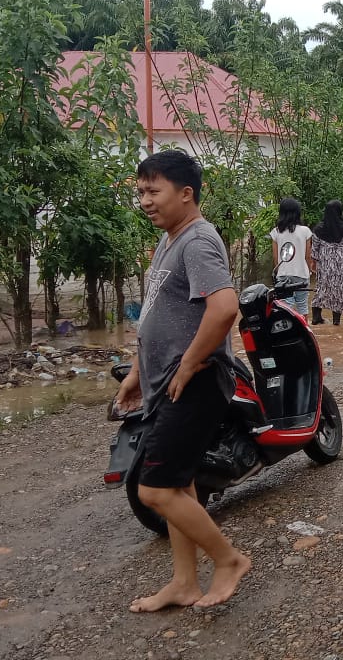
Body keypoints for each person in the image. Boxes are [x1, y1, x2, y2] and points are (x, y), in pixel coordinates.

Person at [114, 149, 249, 612]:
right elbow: (159, 314)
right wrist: (137, 372)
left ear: (186, 194)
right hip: (166, 383)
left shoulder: (198, 240)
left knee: (155, 490)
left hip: (195, 382)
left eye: (154, 191)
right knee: (181, 485)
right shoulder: (169, 240)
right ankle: (184, 582)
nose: (145, 201)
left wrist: (190, 364)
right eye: (141, 192)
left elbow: (224, 307)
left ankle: (228, 561)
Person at [310, 200, 343, 326]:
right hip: (342, 264)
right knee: (339, 290)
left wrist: (313, 262)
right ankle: (336, 322)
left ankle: (316, 318)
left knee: (322, 288)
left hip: (325, 264)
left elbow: (315, 248)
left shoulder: (318, 229)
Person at [268, 197, 313, 316]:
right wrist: (308, 272)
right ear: (297, 213)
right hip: (301, 274)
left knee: (286, 308)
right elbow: (307, 256)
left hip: (283, 275)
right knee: (302, 307)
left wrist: (279, 272)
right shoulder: (305, 231)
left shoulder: (276, 232)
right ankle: (304, 333)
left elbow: (275, 257)